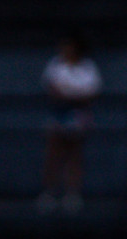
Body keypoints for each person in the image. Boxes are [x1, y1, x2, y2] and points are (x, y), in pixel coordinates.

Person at [39, 34, 101, 214]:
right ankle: (49, 192)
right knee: (53, 153)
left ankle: (72, 193)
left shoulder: (88, 67)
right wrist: (73, 94)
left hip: (78, 114)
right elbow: (52, 89)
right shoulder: (55, 64)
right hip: (58, 113)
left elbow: (91, 92)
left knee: (74, 153)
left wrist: (71, 95)